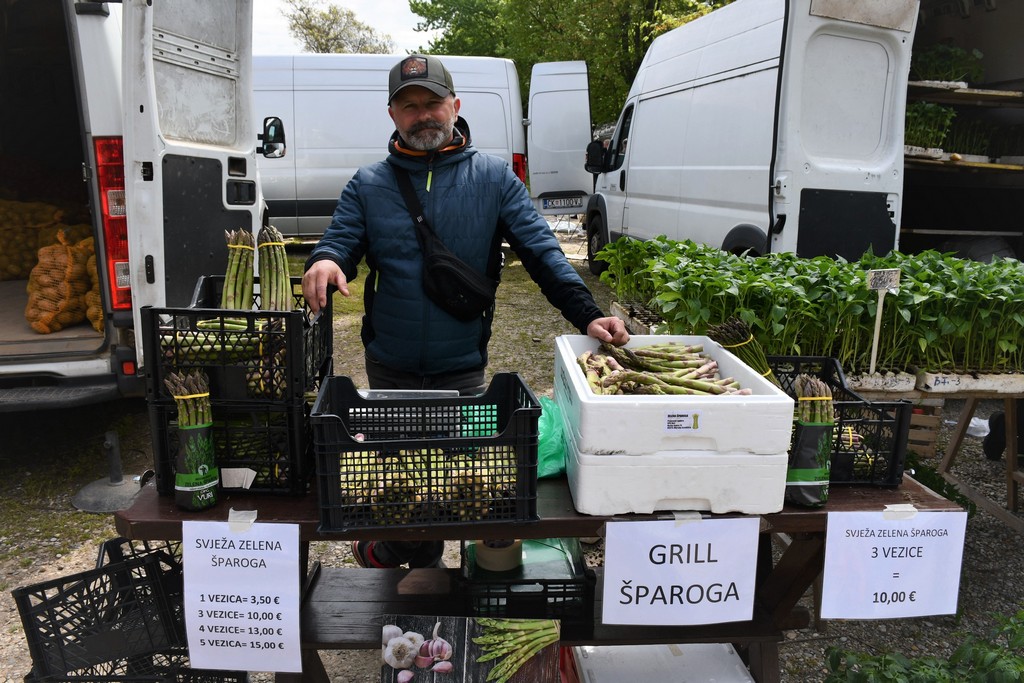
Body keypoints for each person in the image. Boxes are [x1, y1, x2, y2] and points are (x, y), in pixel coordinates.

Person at [302, 54, 629, 569]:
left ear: (455, 106)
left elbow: (543, 253)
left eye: (432, 102)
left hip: (462, 368)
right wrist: (325, 260)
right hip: (390, 365)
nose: (422, 115)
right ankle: (411, 563)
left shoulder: (494, 179)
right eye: (409, 106)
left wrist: (587, 314)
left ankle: (416, 565)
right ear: (392, 115)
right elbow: (340, 239)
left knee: (460, 487)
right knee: (403, 486)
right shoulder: (368, 183)